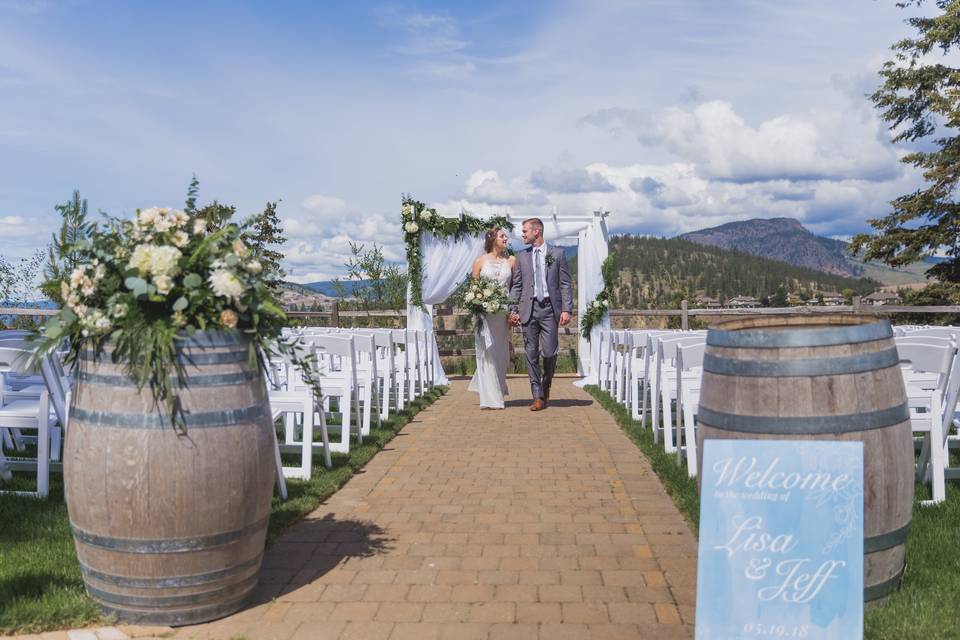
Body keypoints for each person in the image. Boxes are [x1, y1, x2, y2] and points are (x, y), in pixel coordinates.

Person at [509, 218, 573, 411]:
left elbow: (565, 283)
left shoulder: (558, 254)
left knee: (550, 352)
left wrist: (566, 309)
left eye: (525, 231)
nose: (523, 235)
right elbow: (517, 285)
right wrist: (512, 309)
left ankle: (546, 387)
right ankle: (537, 396)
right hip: (528, 310)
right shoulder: (521, 257)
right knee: (530, 353)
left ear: (536, 232)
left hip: (549, 309)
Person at [468, 228, 515, 409]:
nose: (506, 238)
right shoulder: (479, 262)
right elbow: (474, 289)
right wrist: (479, 305)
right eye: (502, 236)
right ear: (493, 239)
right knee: (487, 353)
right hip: (484, 315)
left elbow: (516, 287)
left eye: (506, 236)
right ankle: (491, 398)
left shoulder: (511, 261)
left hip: (503, 315)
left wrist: (513, 311)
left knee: (501, 355)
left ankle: (498, 387)